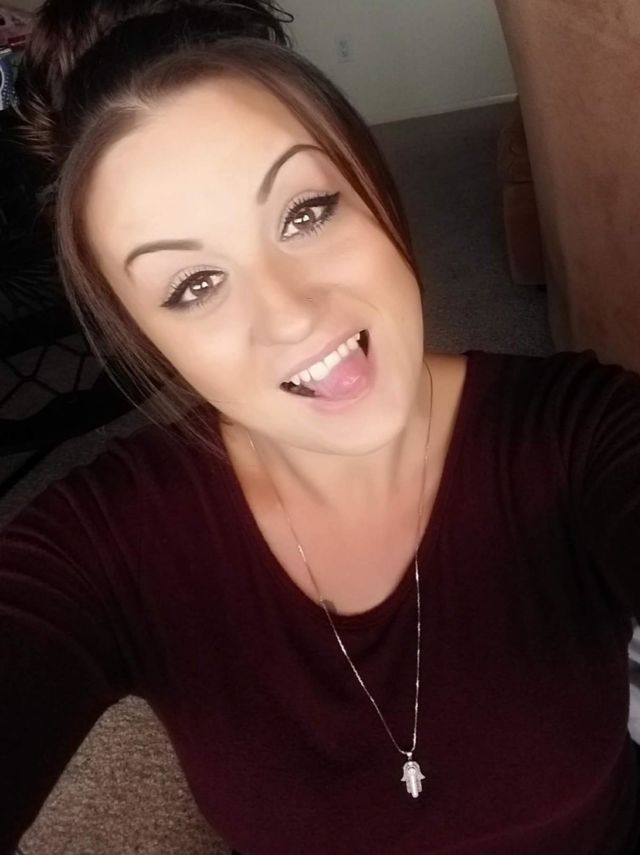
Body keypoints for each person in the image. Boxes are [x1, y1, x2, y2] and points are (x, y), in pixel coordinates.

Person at [2, 1, 640, 853]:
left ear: (374, 186)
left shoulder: (580, 433)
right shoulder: (106, 539)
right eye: (194, 286)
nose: (292, 314)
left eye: (305, 213)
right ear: (148, 340)